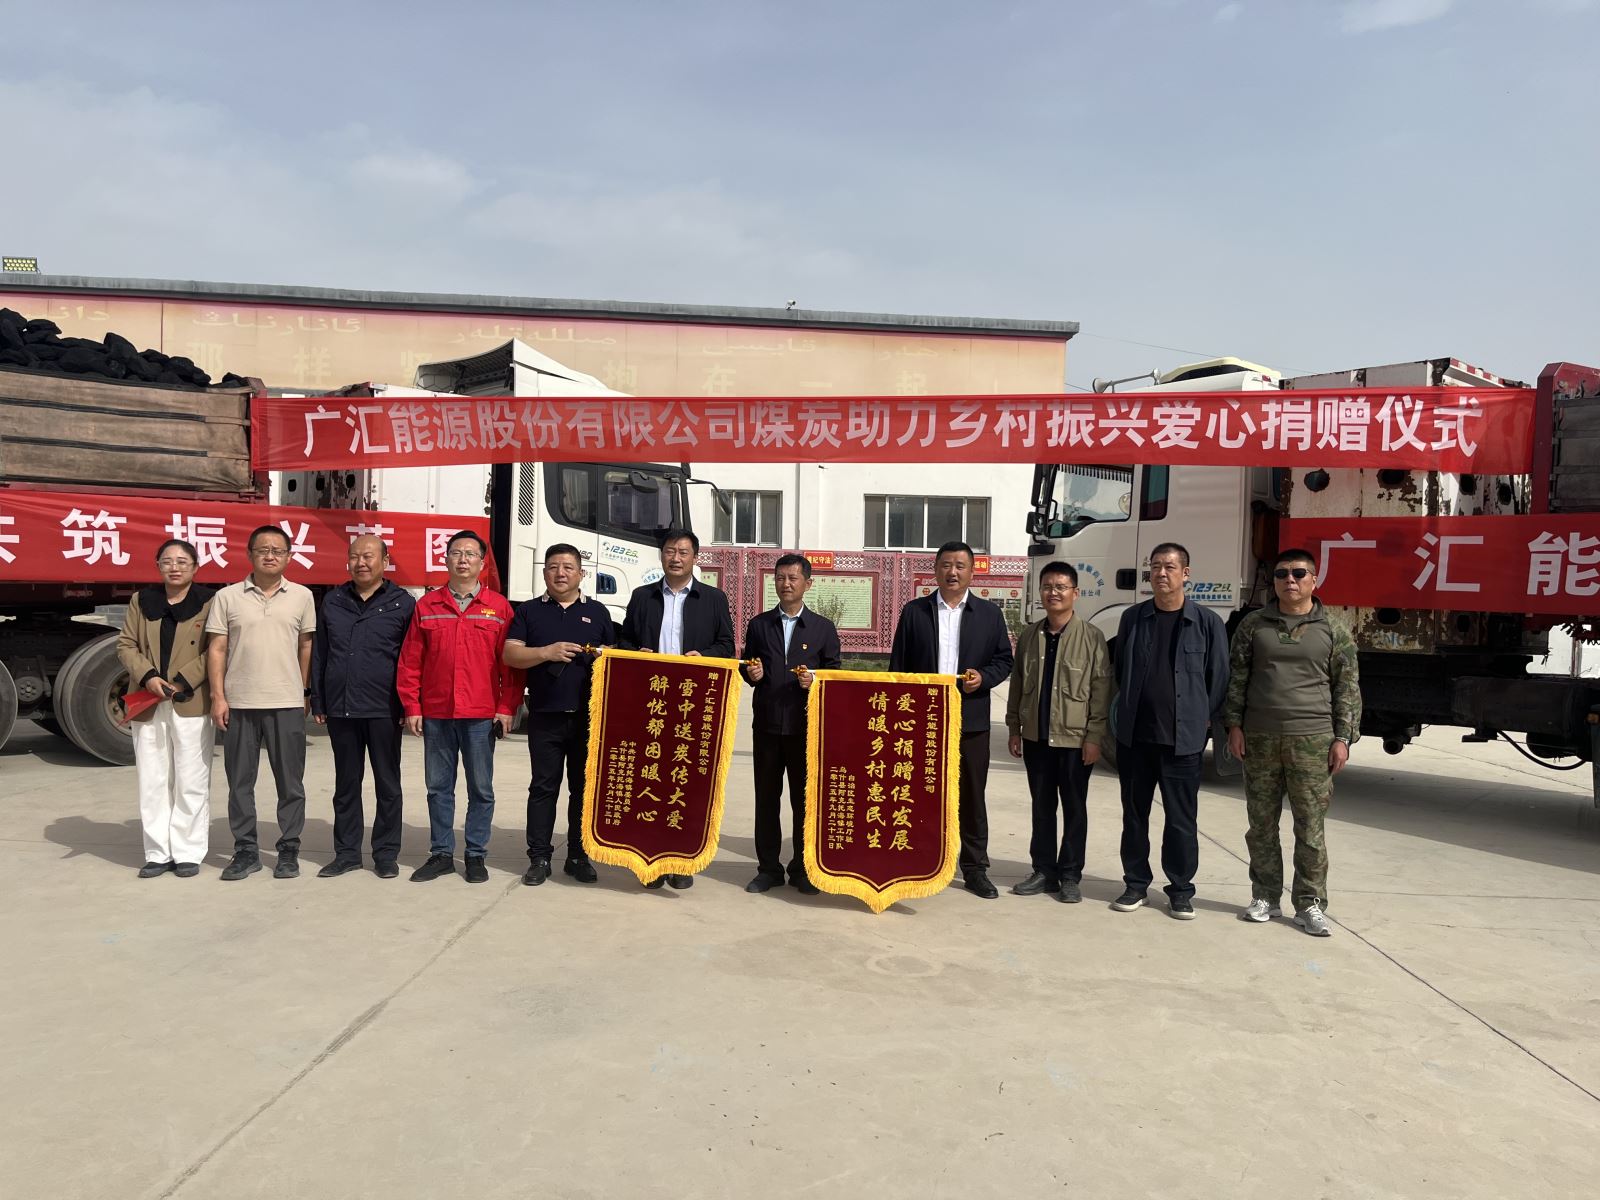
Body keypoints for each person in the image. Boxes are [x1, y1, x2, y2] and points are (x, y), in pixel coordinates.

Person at [1223, 548, 1361, 937]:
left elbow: (1347, 688)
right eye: (1282, 573)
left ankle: (1310, 903)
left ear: (1314, 580)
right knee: (1261, 825)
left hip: (1312, 741)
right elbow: (1238, 677)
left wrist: (1343, 738)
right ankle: (1265, 896)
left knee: (1310, 828)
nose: (1290, 580)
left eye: (1299, 573)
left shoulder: (1333, 629)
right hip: (1260, 739)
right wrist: (1233, 725)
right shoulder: (1254, 625)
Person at [888, 540, 1014, 900]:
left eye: (960, 566)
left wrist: (983, 678)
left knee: (972, 795)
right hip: (922, 723)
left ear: (972, 571)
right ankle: (917, 860)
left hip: (970, 721)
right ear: (936, 570)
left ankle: (975, 868)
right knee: (918, 793)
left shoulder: (989, 614)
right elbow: (898, 667)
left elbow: (1004, 660)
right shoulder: (915, 612)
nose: (952, 572)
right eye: (946, 565)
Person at [1109, 542, 1229, 919]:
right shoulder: (1132, 618)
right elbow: (1121, 670)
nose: (1161, 573)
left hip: (1183, 743)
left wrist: (1198, 717)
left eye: (1170, 567)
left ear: (1185, 574)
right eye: (1156, 566)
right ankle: (1135, 884)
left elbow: (1219, 679)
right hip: (1135, 740)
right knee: (1134, 817)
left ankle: (1180, 890)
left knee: (1181, 820)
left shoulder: (1207, 623)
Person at [396, 530, 520, 885]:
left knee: (481, 788)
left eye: (470, 554)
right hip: (437, 713)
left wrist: (506, 706)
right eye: (456, 553)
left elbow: (510, 666)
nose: (463, 559)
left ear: (482, 563)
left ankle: (476, 854)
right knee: (438, 787)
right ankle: (441, 854)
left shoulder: (499, 607)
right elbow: (411, 661)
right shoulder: (427, 605)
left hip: (480, 715)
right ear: (446, 559)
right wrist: (412, 705)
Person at [620, 528, 736, 890]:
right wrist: (635, 652)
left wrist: (705, 656)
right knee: (650, 778)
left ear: (694, 558)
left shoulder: (713, 599)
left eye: (683, 552)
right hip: (651, 703)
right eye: (670, 551)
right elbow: (625, 639)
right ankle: (649, 860)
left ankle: (682, 859)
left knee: (687, 781)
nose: (676, 558)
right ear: (661, 556)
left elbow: (727, 646)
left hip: (691, 704)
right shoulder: (642, 597)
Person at [205, 525, 319, 881]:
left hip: (286, 702)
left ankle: (289, 849)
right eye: (263, 550)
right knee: (240, 783)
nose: (270, 556)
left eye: (278, 550)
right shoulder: (227, 597)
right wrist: (218, 696)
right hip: (240, 702)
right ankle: (246, 851)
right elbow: (217, 649)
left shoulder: (302, 596)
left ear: (289, 556)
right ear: (249, 554)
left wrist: (303, 691)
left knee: (290, 783)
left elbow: (305, 645)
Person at [503, 544, 616, 888]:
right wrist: (546, 652)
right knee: (543, 788)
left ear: (581, 573)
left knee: (582, 790)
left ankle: (578, 856)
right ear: (544, 573)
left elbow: (614, 657)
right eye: (553, 567)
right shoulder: (529, 611)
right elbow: (510, 654)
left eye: (568, 567)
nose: (561, 573)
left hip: (587, 718)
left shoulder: (598, 612)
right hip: (545, 715)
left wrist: (605, 655)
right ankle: (539, 857)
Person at [1004, 561, 1112, 904]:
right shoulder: (1029, 636)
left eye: (1061, 587)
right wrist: (1014, 727)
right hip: (1036, 737)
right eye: (1047, 587)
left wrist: (1094, 737)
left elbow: (1100, 691)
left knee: (1074, 808)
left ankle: (1070, 876)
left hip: (1075, 740)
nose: (1053, 593)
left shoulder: (1091, 637)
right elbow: (1018, 684)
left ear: (1075, 593)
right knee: (1042, 807)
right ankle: (1043, 871)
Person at [309, 535, 416, 879]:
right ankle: (346, 853)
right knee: (346, 785)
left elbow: (411, 658)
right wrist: (318, 698)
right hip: (341, 707)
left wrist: (409, 703)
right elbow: (321, 653)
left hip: (385, 707)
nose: (361, 563)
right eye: (355, 556)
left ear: (385, 561)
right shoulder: (334, 600)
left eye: (369, 556)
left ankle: (385, 854)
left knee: (388, 784)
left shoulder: (403, 603)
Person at [739, 554, 842, 895]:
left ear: (807, 584)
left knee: (804, 801)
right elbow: (747, 664)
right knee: (767, 800)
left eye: (793, 578)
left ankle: (802, 868)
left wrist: (815, 680)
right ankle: (768, 869)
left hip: (804, 728)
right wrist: (751, 673)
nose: (786, 584)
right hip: (767, 725)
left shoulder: (822, 628)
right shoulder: (760, 625)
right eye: (780, 578)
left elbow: (834, 673)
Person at [116, 538, 216, 878]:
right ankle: (158, 852)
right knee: (153, 778)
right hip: (148, 699)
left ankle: (188, 851)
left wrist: (184, 680)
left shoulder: (210, 601)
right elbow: (126, 644)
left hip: (190, 699)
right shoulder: (142, 600)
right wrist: (148, 677)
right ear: (158, 566)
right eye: (167, 561)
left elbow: (217, 648)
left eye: (182, 561)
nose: (175, 567)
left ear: (195, 567)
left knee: (191, 778)